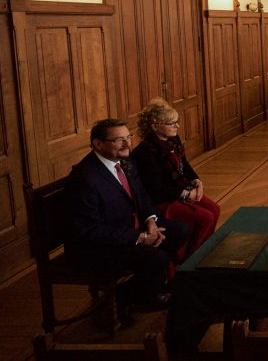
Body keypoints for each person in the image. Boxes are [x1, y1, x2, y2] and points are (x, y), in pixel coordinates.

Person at [65, 118, 189, 311]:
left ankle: (139, 289)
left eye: (128, 137)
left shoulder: (125, 160)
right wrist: (139, 237)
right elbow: (89, 230)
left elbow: (141, 194)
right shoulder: (85, 178)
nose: (127, 143)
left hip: (130, 227)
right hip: (99, 246)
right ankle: (144, 297)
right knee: (156, 257)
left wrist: (151, 221)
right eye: (119, 140)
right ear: (98, 144)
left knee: (179, 230)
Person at [132, 99, 219, 261]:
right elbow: (156, 187)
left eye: (176, 122)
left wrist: (196, 180)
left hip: (179, 191)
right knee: (205, 218)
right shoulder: (145, 151)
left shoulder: (174, 140)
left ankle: (203, 251)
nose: (177, 126)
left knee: (214, 210)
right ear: (155, 126)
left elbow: (184, 164)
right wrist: (186, 194)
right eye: (171, 123)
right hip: (161, 200)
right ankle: (190, 259)